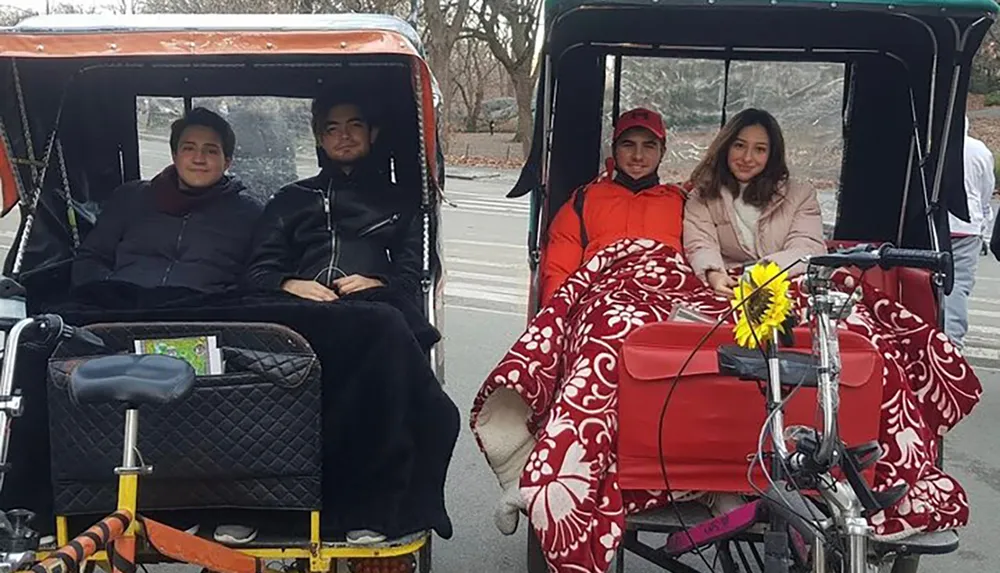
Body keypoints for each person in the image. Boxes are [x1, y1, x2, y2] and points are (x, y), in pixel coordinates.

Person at [243, 91, 422, 302]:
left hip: (374, 312)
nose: (344, 135)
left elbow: (414, 277)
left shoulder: (400, 203)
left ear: (371, 133)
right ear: (320, 139)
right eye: (332, 128)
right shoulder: (289, 200)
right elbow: (258, 272)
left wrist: (379, 284)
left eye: (354, 125)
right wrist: (289, 284)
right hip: (295, 314)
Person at [72, 107, 262, 294]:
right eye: (189, 148)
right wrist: (108, 293)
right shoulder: (130, 197)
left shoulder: (250, 214)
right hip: (119, 312)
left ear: (227, 162)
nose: (199, 158)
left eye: (211, 151)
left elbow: (259, 275)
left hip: (207, 317)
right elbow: (91, 259)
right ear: (174, 156)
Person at [539, 107, 686, 304]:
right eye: (628, 145)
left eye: (649, 146)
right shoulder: (584, 200)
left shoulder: (681, 203)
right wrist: (554, 315)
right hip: (602, 304)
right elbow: (559, 270)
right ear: (615, 149)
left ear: (662, 152)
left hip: (666, 301)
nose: (638, 156)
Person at [683, 108, 826, 295]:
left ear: (772, 154)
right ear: (726, 147)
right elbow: (701, 244)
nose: (747, 158)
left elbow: (807, 247)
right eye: (739, 146)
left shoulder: (800, 194)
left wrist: (762, 273)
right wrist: (714, 274)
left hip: (785, 280)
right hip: (730, 285)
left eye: (759, 149)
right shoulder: (702, 195)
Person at [945, 116, 995, 350]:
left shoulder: (933, 147)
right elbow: (987, 189)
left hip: (933, 226)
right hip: (967, 228)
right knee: (958, 286)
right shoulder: (979, 150)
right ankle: (952, 344)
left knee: (925, 284)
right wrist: (983, 219)